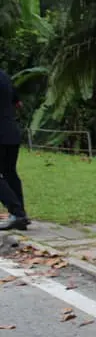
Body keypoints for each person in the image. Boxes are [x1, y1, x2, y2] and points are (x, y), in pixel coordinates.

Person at [0, 68, 27, 231]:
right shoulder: (4, 76)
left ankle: (17, 213)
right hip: (11, 132)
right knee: (9, 172)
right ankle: (21, 216)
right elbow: (18, 103)